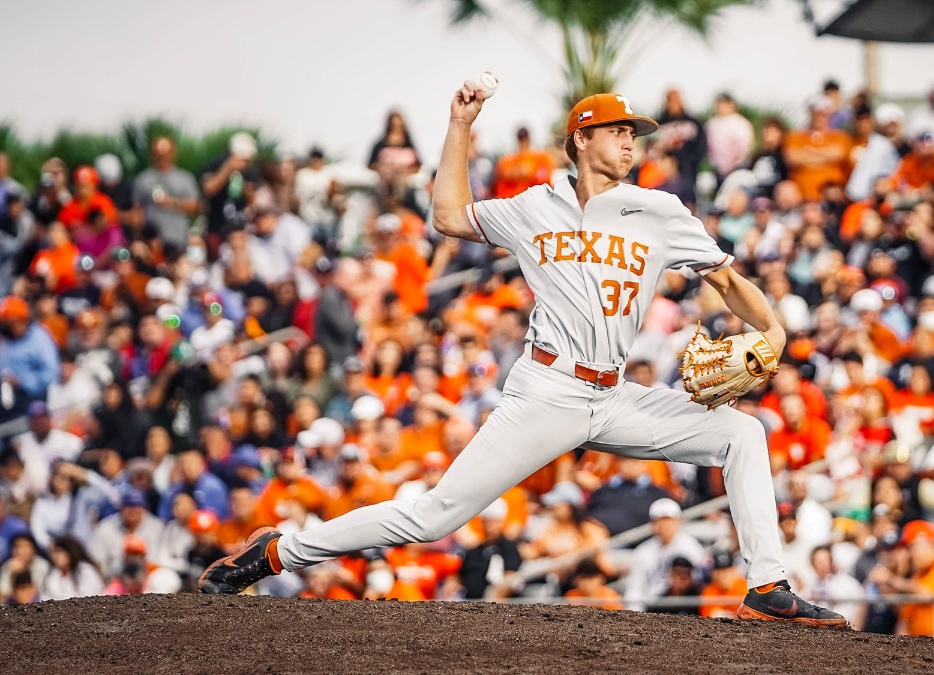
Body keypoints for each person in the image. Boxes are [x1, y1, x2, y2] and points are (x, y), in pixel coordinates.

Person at [199, 85, 846, 627]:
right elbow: (449, 214)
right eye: (618, 131)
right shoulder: (535, 206)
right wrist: (458, 125)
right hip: (547, 391)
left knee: (742, 433)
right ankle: (276, 554)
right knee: (433, 516)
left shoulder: (659, 210)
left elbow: (728, 281)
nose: (630, 142)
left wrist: (775, 333)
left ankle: (767, 583)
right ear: (581, 140)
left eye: (633, 133)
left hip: (616, 396)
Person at [624, 498, 707, 612]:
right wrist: (634, 614)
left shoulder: (691, 547)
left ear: (678, 521)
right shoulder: (643, 551)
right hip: (651, 608)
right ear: (652, 523)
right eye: (659, 521)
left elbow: (699, 581)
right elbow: (635, 588)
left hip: (683, 605)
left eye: (668, 520)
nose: (664, 525)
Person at [132, 136, 202, 252]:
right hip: (152, 244)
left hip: (179, 240)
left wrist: (173, 202)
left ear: (173, 153)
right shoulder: (142, 180)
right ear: (152, 154)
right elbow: (136, 211)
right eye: (158, 153)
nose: (162, 156)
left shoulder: (185, 179)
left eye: (165, 152)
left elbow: (197, 207)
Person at [491, 127, 555, 200]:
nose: (523, 142)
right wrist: (515, 174)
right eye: (521, 139)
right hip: (513, 201)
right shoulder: (507, 160)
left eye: (525, 139)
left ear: (529, 139)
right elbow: (498, 180)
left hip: (535, 200)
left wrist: (530, 173)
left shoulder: (541, 157)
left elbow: (545, 177)